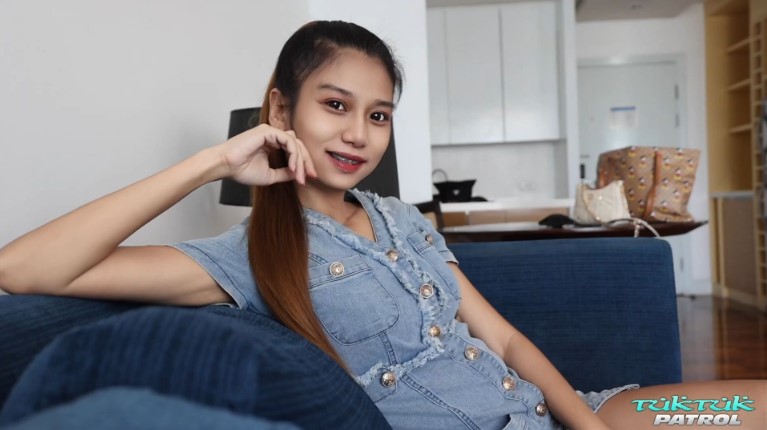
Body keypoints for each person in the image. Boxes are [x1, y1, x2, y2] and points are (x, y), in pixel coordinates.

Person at [0, 20, 763, 430]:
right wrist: (209, 164)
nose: (358, 134)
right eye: (334, 105)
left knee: (744, 408)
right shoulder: (246, 260)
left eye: (377, 114)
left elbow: (503, 341)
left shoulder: (400, 218)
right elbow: (23, 268)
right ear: (280, 109)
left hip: (567, 412)